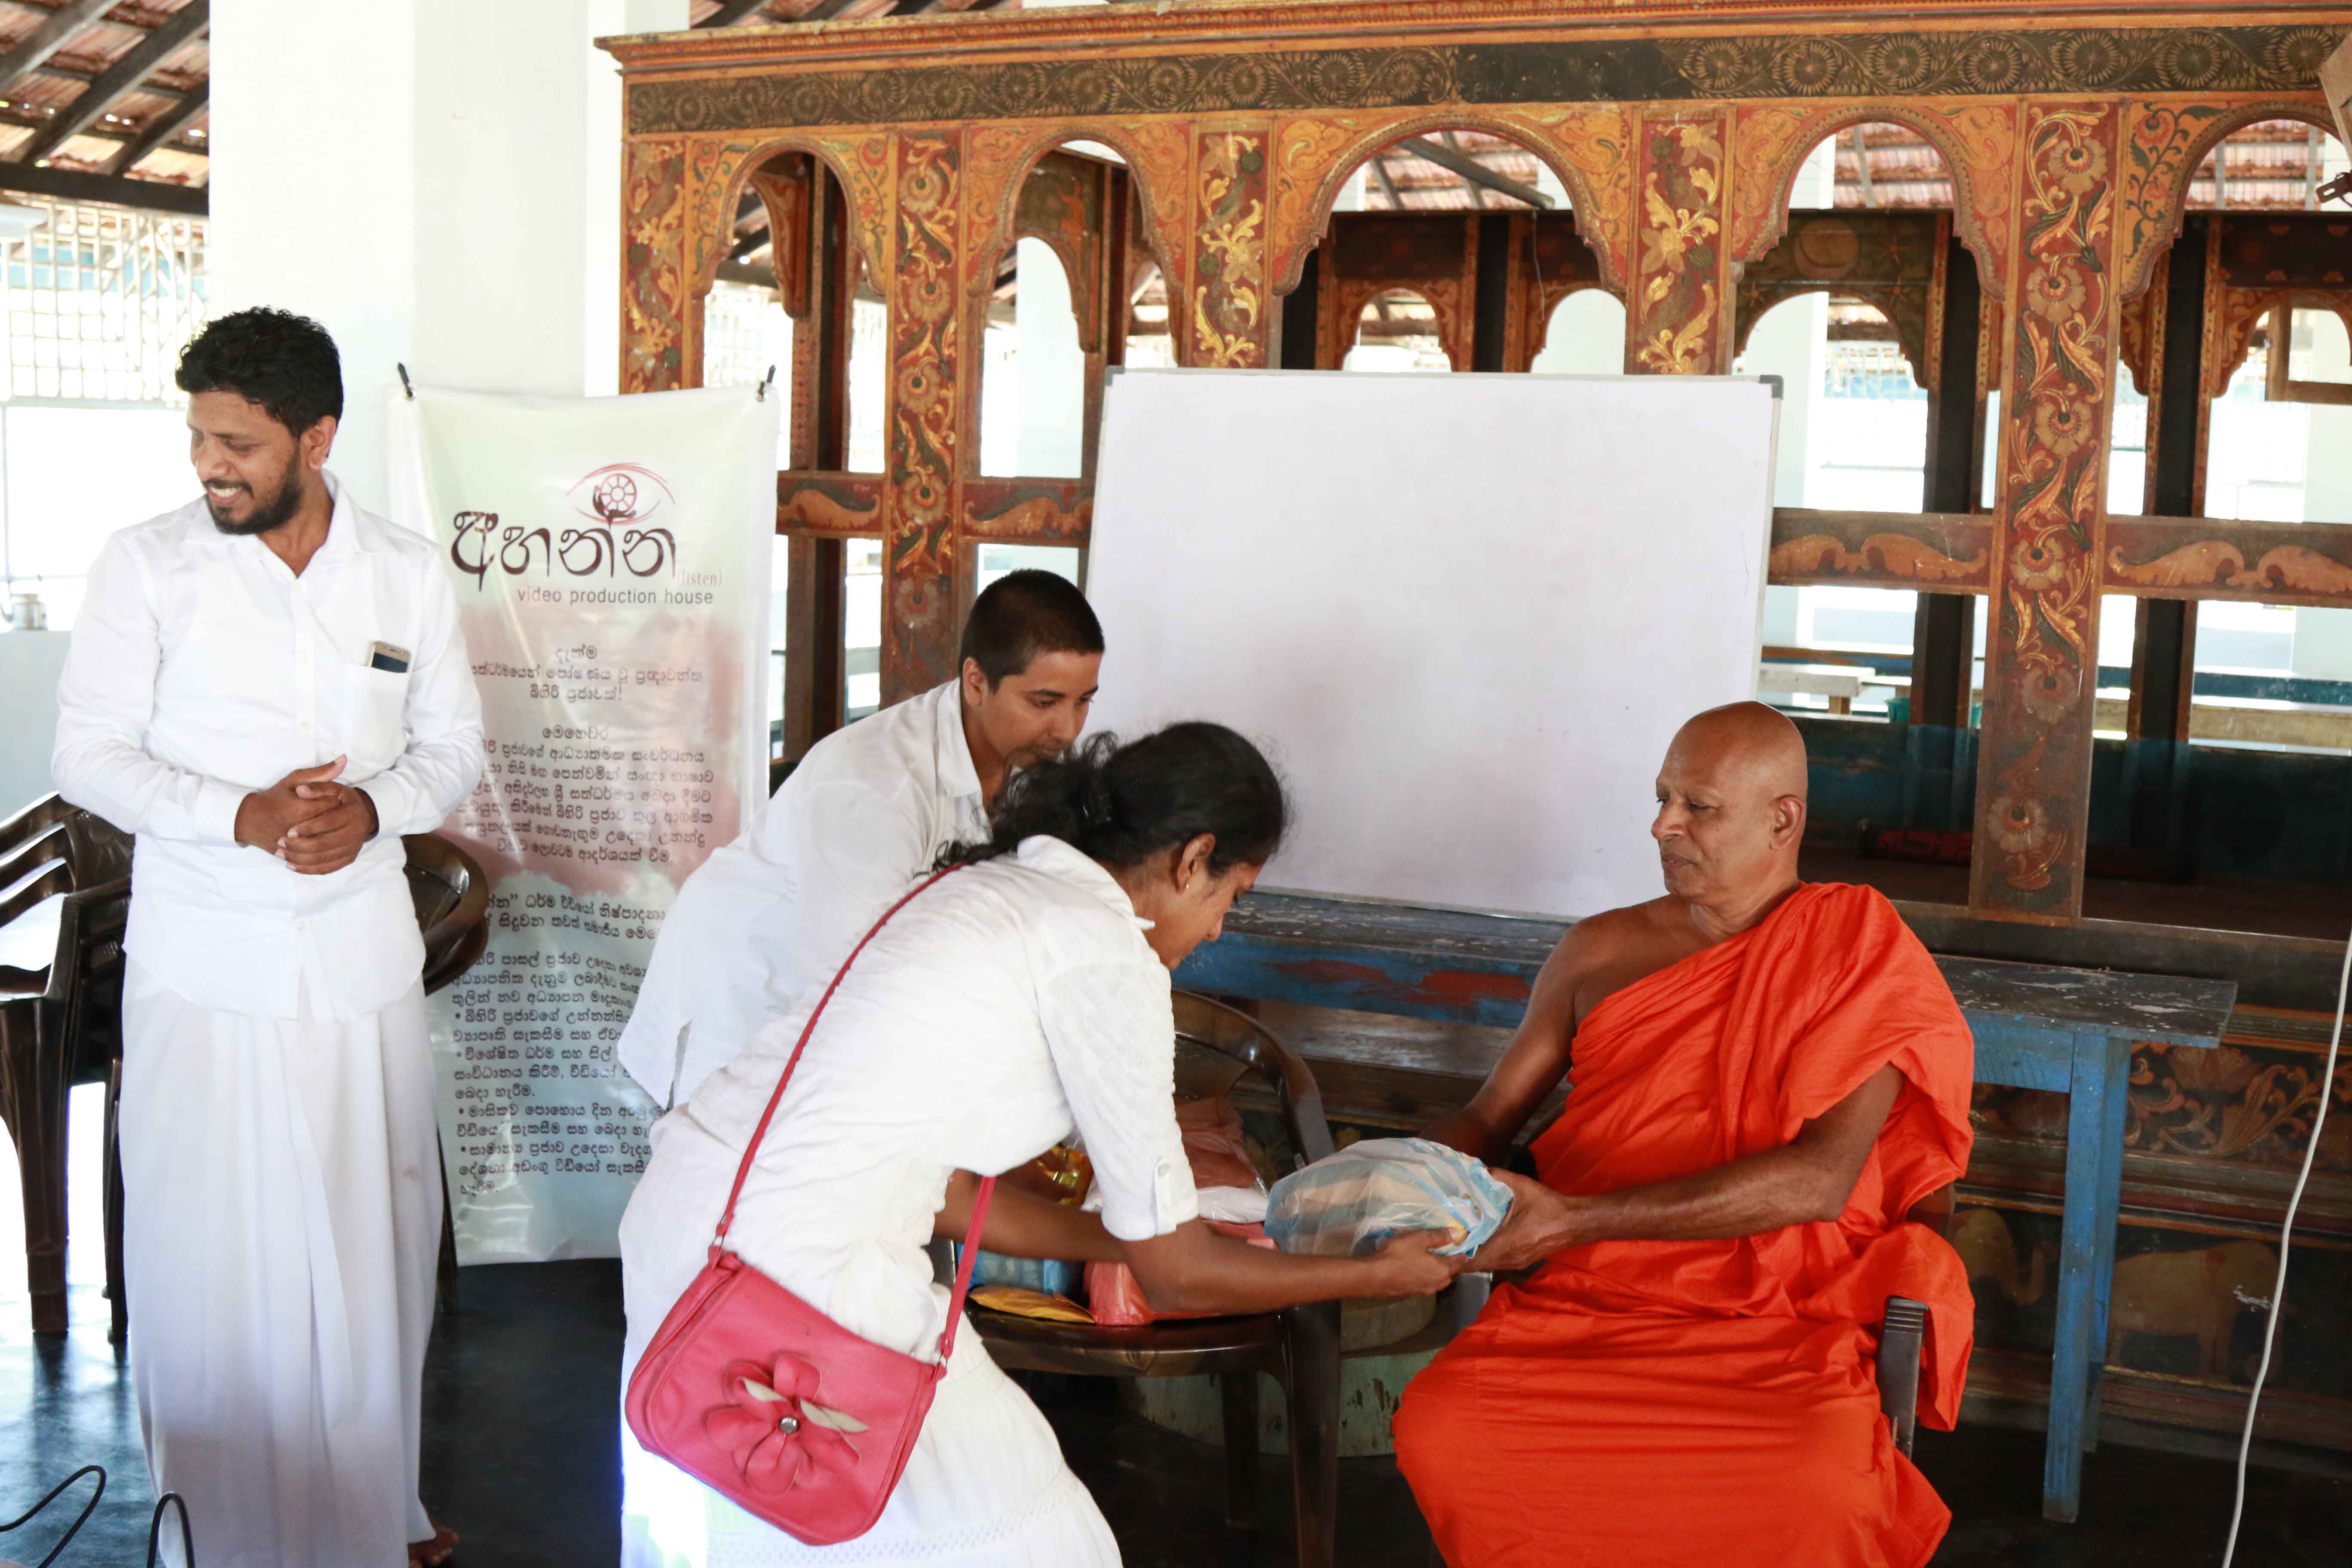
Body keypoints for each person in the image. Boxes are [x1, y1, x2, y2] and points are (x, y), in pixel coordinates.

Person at [618, 723, 1461, 1565]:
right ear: (1193, 858)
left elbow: (945, 1195)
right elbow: (1177, 1275)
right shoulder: (1105, 955)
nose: (1215, 931)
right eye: (1231, 897)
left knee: (776, 1532)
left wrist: (1133, 1238)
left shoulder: (984, 887)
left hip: (693, 1223)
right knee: (1031, 1532)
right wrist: (1371, 1276)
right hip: (799, 1268)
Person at [51, 308, 483, 1568]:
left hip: (360, 964)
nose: (210, 465)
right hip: (206, 965)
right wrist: (234, 815)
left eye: (237, 443)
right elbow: (88, 753)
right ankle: (219, 1535)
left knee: (371, 1247)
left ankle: (371, 1517)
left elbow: (454, 748)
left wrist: (375, 809)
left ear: (317, 438)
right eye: (199, 438)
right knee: (210, 1263)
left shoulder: (404, 571)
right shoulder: (148, 566)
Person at [1393, 702, 1975, 1568]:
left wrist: (1573, 1219)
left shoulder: (1855, 951)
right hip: (1587, 1303)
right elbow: (1488, 1115)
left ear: (1782, 819)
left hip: (1778, 1322)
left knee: (1821, 1479)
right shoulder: (1597, 951)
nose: (1663, 825)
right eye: (1662, 798)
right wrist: (1397, 1179)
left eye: (1698, 807)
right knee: (1448, 1431)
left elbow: (1818, 1181)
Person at [618, 569, 1104, 1107]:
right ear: (975, 682)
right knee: (736, 1150)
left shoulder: (1028, 760)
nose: (1068, 729)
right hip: (745, 1002)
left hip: (840, 1005)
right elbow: (851, 987)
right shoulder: (875, 790)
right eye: (1045, 702)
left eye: (1083, 701)